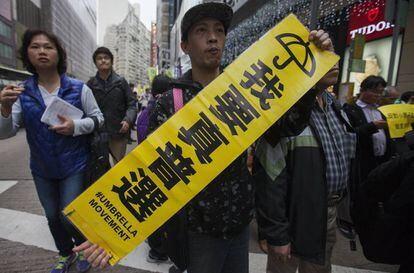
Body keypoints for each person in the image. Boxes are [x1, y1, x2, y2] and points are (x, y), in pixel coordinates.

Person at [74, 2, 336, 272]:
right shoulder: (169, 103)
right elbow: (153, 173)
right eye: (202, 31)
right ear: (184, 46)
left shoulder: (246, 91)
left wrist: (313, 82)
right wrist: (106, 234)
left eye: (219, 30)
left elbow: (284, 129)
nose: (213, 37)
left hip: (239, 226)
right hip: (198, 232)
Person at [0, 29, 104, 273]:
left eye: (48, 46)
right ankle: (64, 253)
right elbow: (5, 132)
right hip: (41, 168)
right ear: (27, 54)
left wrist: (75, 127)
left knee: (69, 215)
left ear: (59, 53)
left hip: (74, 164)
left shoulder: (79, 89)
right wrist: (4, 107)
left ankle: (82, 249)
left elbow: (98, 119)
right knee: (52, 217)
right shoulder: (21, 93)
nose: (42, 51)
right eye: (35, 47)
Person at [254, 62, 356, 273]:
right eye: (322, 57)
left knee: (319, 268)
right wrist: (276, 234)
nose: (333, 61)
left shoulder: (336, 108)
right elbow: (269, 179)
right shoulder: (284, 113)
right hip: (293, 218)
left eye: (333, 54)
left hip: (327, 214)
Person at [87, 47, 137, 164]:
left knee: (118, 168)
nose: (103, 61)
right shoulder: (90, 85)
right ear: (95, 63)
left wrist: (127, 120)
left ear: (111, 61)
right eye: (99, 58)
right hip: (98, 134)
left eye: (106, 58)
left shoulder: (121, 82)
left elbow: (132, 104)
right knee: (99, 169)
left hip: (118, 132)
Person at [343, 75, 393, 184]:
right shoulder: (351, 110)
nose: (378, 95)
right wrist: (372, 126)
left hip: (382, 160)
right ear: (362, 90)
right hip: (362, 161)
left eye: (381, 92)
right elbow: (349, 134)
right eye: (375, 91)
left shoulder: (380, 110)